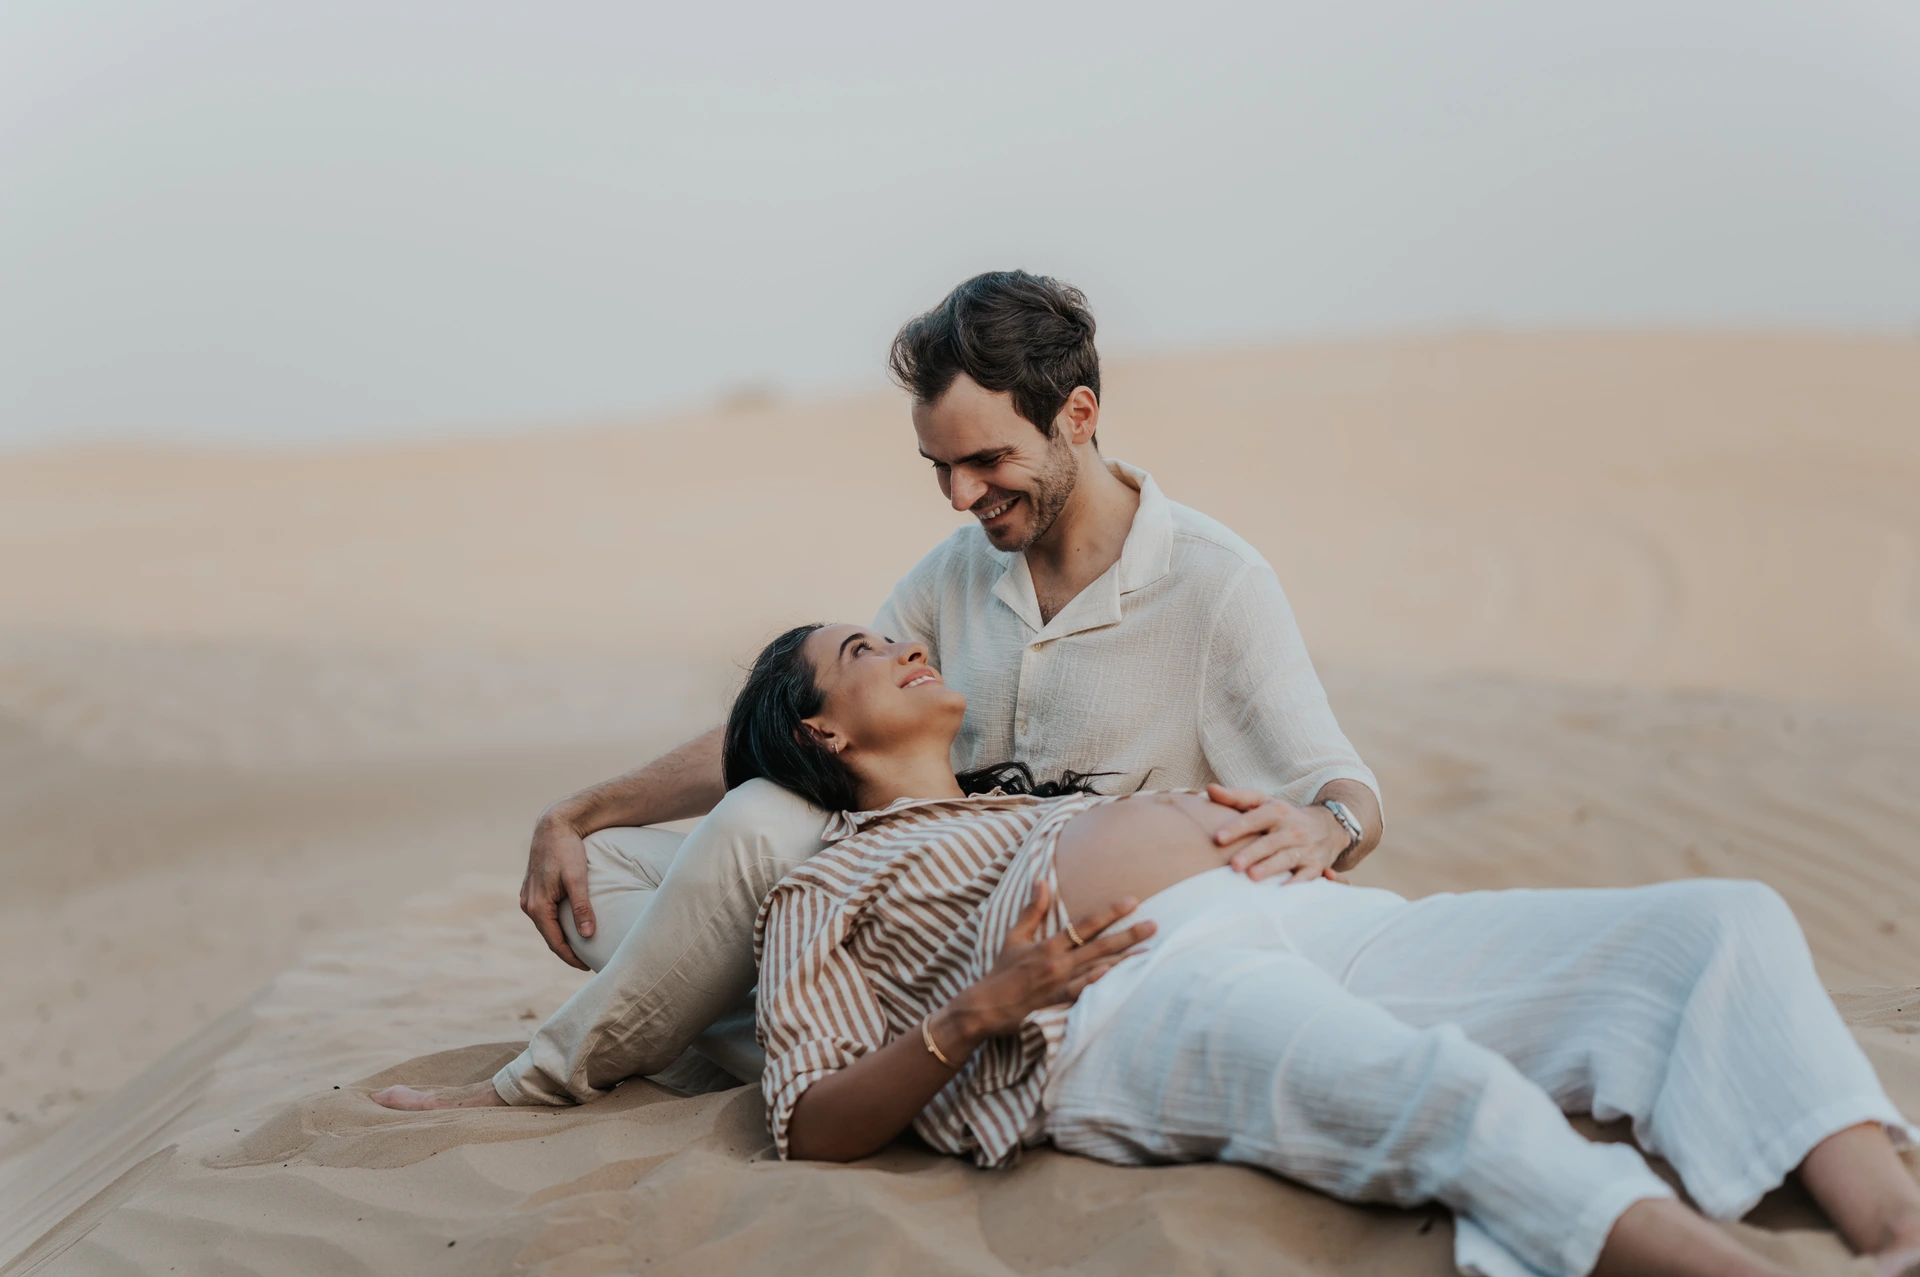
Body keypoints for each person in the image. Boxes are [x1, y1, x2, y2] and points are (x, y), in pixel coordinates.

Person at [376, 270, 1384, 1110]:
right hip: (897, 928)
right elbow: (811, 725)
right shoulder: (958, 571)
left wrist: (1328, 825)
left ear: (1078, 416)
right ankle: (818, 1053)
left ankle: (558, 1076)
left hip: (1043, 972)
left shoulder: (1213, 582)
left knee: (766, 822)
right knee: (616, 864)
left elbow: (1339, 785)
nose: (960, 496)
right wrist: (579, 809)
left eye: (989, 459)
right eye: (939, 465)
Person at [734, 622, 1920, 1277]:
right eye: (859, 648)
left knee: (1715, 922)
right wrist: (981, 1007)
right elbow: (810, 1115)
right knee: (1445, 1090)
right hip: (1114, 995)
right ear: (821, 727)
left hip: (1304, 916)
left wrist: (1302, 824)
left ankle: (1891, 1229)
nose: (899, 639)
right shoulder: (830, 878)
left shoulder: (1017, 795)